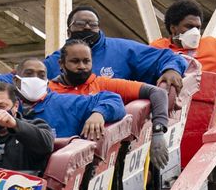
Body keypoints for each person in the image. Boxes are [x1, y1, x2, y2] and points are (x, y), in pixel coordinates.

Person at [49, 39, 171, 169]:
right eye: (75, 61)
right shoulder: (48, 91)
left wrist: (158, 131)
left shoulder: (104, 85)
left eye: (86, 61)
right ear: (61, 64)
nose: (82, 66)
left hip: (96, 163)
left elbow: (157, 93)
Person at [43, 6, 185, 89]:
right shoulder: (53, 61)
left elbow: (168, 57)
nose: (87, 27)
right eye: (80, 23)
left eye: (92, 24)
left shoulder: (123, 49)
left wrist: (171, 69)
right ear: (69, 31)